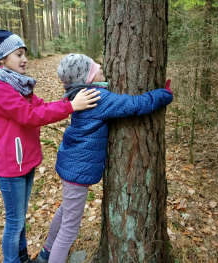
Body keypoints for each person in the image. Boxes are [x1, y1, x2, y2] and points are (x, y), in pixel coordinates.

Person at [34, 54, 173, 263]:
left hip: (70, 165)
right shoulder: (97, 97)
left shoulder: (77, 94)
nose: (99, 65)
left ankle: (46, 253)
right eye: (93, 67)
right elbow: (135, 104)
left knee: (65, 211)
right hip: (77, 171)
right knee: (70, 229)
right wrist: (164, 95)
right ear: (87, 78)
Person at [0, 31, 101, 263]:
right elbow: (29, 116)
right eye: (18, 54)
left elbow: (42, 106)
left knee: (20, 219)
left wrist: (70, 100)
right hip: (10, 166)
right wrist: (71, 107)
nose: (24, 59)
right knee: (14, 223)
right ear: (2, 59)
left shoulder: (19, 85)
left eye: (24, 53)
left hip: (25, 161)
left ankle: (22, 257)